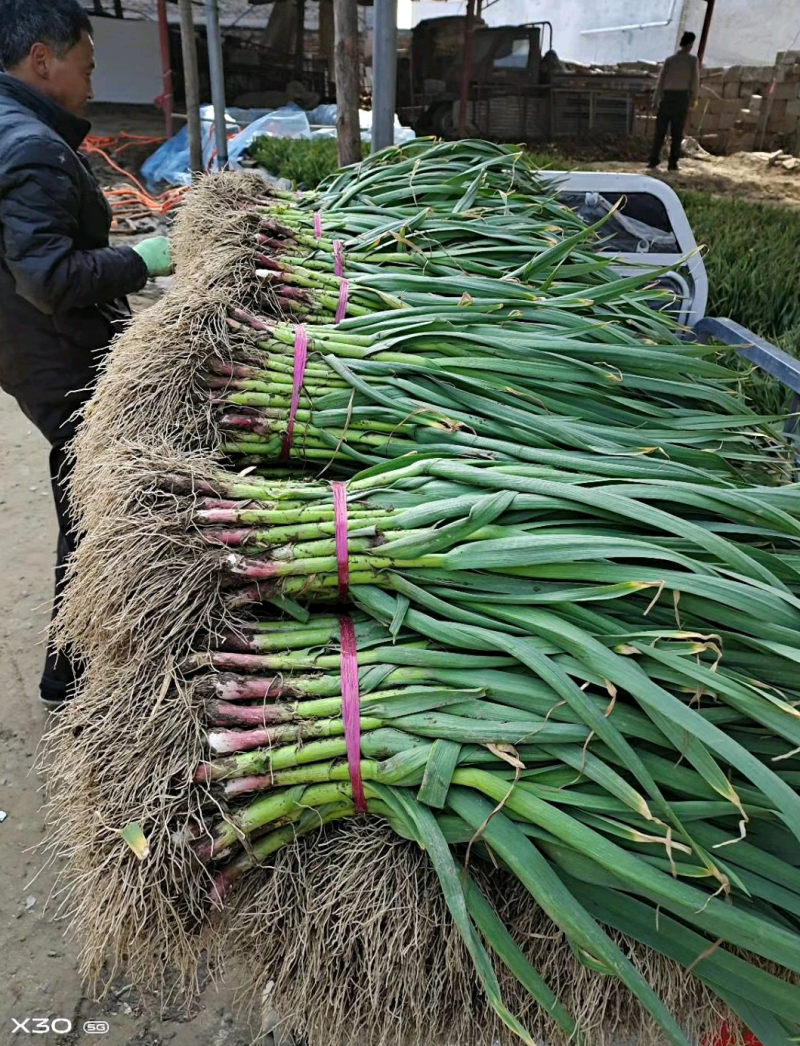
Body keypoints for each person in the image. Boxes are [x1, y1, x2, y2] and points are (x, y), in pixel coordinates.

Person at [0, 0, 173, 710]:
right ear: (43, 59)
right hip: (54, 351)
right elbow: (51, 279)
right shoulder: (31, 146)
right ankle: (71, 673)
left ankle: (72, 667)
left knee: (86, 488)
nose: (92, 80)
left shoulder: (17, 128)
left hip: (23, 347)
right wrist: (140, 260)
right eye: (87, 64)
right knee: (93, 499)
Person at [648, 30, 700, 172]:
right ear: (690, 44)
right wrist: (694, 99)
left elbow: (660, 81)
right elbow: (695, 82)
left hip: (667, 97)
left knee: (660, 131)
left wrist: (655, 100)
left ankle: (653, 160)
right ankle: (672, 163)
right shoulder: (692, 61)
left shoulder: (670, 60)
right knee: (677, 133)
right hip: (681, 98)